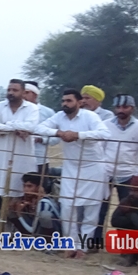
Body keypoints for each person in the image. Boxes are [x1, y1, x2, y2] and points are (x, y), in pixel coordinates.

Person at [34, 88, 110, 255]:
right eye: (63, 101)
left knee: (91, 210)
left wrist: (78, 135)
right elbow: (39, 128)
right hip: (70, 167)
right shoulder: (59, 116)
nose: (65, 104)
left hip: (93, 167)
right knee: (68, 207)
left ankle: (83, 248)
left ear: (79, 102)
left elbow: (105, 134)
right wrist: (58, 132)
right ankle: (70, 245)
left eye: (69, 101)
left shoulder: (90, 116)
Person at [0, 79, 41, 201]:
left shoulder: (32, 108)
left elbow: (31, 126)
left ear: (23, 92)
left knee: (22, 194)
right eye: (9, 89)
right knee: (2, 192)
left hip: (23, 158)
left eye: (15, 90)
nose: (11, 92)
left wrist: (6, 125)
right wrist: (14, 129)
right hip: (3, 158)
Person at [9, 172, 63, 239]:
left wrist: (19, 213)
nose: (26, 189)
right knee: (10, 210)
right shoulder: (27, 198)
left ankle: (48, 241)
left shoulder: (44, 202)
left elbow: (32, 230)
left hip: (53, 232)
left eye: (29, 186)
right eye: (24, 186)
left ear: (38, 187)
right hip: (36, 228)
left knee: (45, 215)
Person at [22, 81, 57, 171]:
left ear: (35, 94)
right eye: (22, 92)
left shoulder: (48, 112)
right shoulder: (17, 111)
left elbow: (57, 137)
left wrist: (42, 139)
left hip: (40, 159)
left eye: (27, 92)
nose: (23, 96)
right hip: (19, 159)